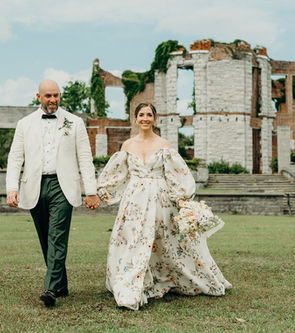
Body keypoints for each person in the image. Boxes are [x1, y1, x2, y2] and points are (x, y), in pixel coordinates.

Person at [97, 102, 231, 310]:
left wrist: (181, 199)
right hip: (134, 202)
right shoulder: (127, 146)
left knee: (165, 241)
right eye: (141, 115)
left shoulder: (164, 145)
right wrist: (99, 195)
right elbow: (117, 175)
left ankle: (165, 276)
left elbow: (175, 174)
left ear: (155, 119)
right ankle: (133, 281)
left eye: (149, 115)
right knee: (134, 239)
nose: (145, 118)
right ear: (135, 118)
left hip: (160, 200)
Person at [6, 80, 101, 307]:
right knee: (45, 237)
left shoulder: (75, 122)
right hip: (34, 185)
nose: (53, 100)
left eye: (56, 95)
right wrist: (12, 187)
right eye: (48, 96)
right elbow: (15, 157)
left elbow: (85, 158)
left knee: (57, 235)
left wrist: (91, 191)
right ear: (38, 96)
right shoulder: (24, 124)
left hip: (63, 185)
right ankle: (61, 284)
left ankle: (50, 289)